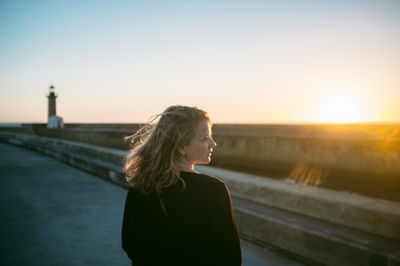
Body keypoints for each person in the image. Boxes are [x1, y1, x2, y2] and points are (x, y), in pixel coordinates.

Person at [121, 105, 242, 266]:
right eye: (205, 138)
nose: (213, 143)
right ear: (181, 146)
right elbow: (231, 259)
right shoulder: (214, 190)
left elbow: (130, 244)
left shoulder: (141, 185)